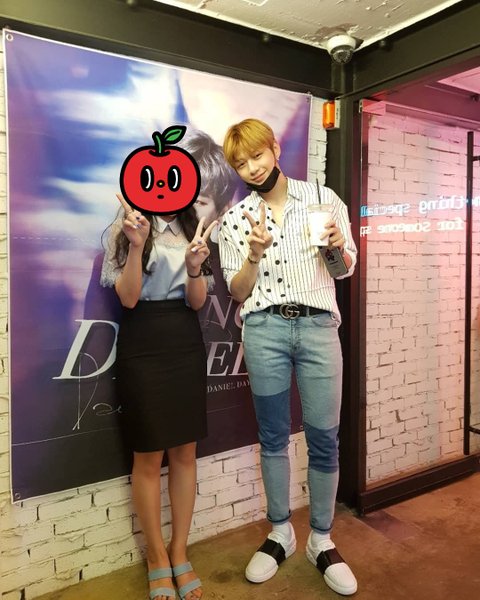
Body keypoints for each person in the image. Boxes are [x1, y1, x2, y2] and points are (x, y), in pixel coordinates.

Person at [218, 118, 358, 596]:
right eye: (241, 163)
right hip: (264, 330)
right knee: (273, 436)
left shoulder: (322, 200)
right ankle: (280, 532)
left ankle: (321, 539)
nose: (252, 168)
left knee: (324, 437)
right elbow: (238, 291)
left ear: (275, 149)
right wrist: (254, 254)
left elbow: (342, 271)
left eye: (257, 155)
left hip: (318, 327)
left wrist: (336, 248)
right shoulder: (236, 220)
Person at [101, 193, 216, 600]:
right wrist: (136, 245)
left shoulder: (192, 226)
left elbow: (197, 302)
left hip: (184, 342)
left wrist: (194, 268)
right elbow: (128, 298)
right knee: (148, 455)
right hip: (142, 342)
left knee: (185, 452)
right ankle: (155, 557)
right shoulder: (127, 223)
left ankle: (179, 551)